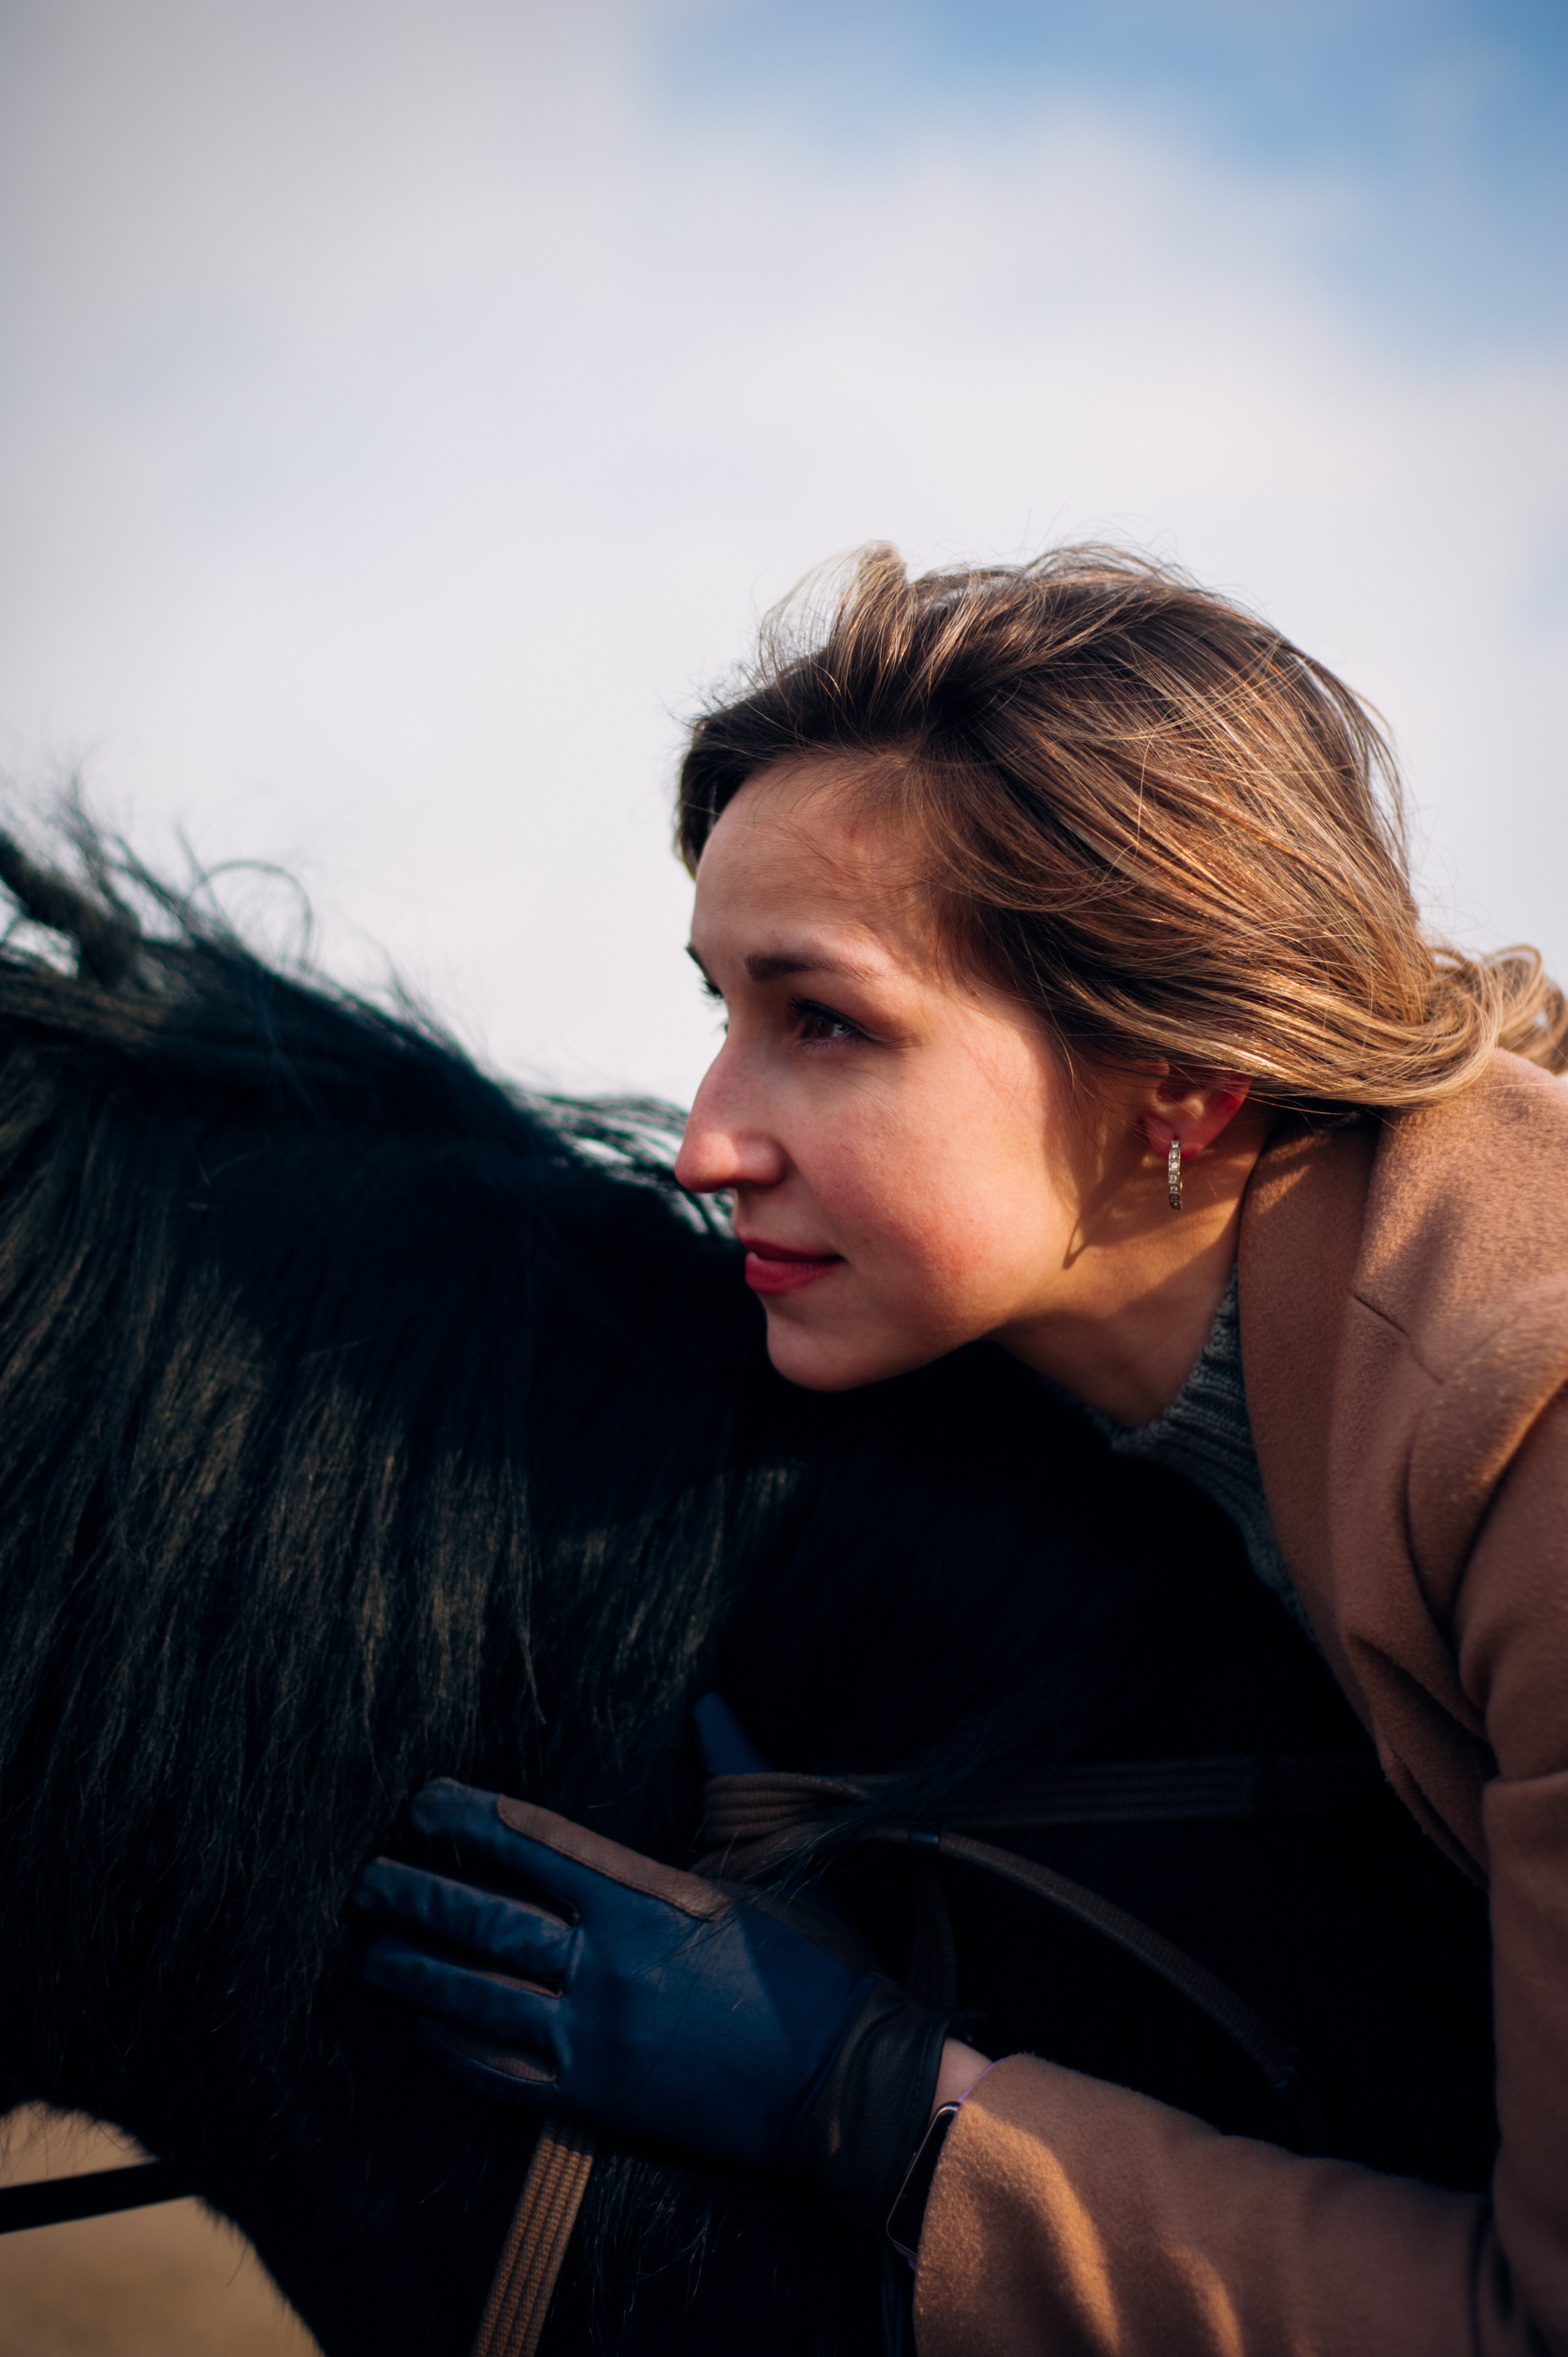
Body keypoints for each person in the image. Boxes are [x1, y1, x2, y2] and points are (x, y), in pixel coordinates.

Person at [356, 545, 1568, 2355]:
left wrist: (865, 2100)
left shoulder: (1532, 1432)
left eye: (824, 1021)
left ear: (1183, 1077)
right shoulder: (1118, 1368)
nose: (704, 1145)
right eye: (723, 1014)